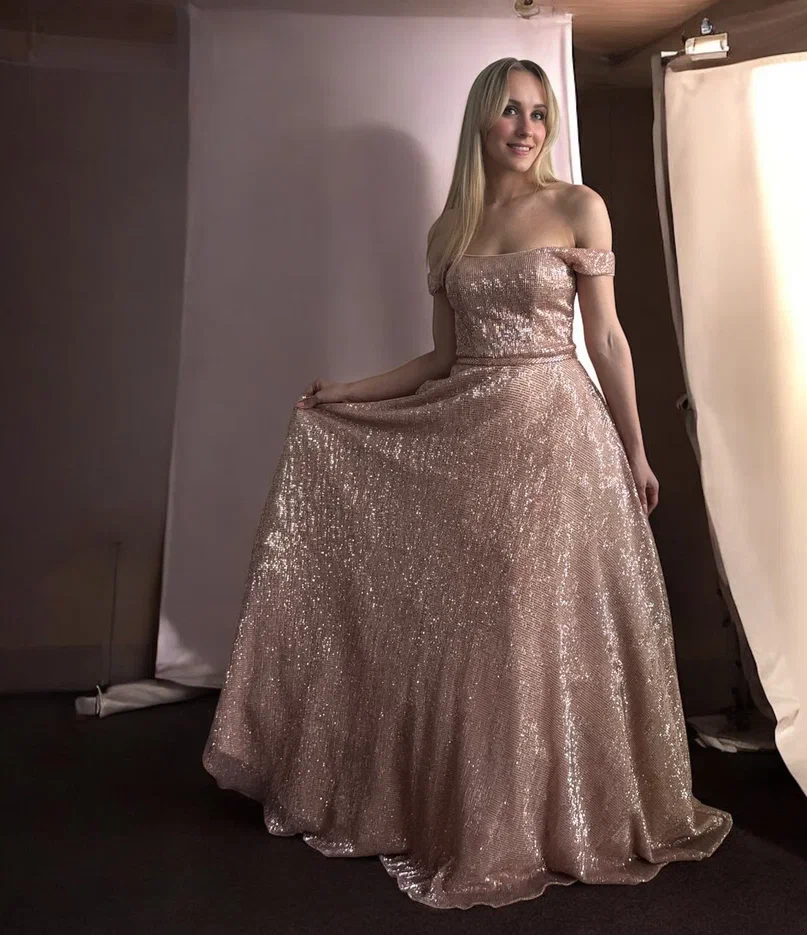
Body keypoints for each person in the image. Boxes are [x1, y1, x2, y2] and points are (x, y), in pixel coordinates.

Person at [202, 56, 732, 910]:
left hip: (559, 439)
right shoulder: (450, 230)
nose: (525, 127)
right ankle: (483, 817)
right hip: (473, 447)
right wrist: (346, 392)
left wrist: (635, 449)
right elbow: (443, 360)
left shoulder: (578, 206)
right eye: (509, 111)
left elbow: (607, 340)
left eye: (537, 112)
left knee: (541, 619)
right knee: (483, 631)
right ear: (481, 120)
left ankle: (562, 815)